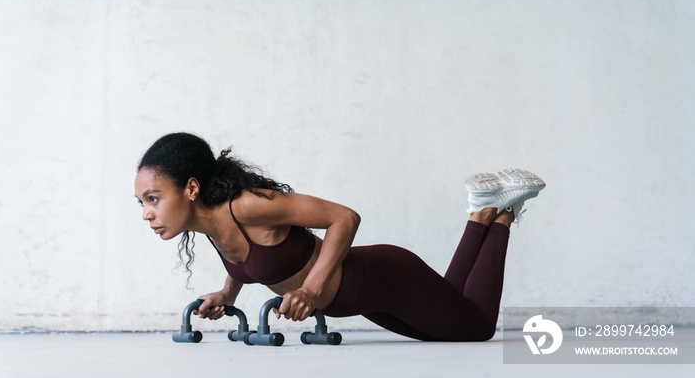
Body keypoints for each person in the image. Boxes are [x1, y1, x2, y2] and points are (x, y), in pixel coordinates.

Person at [134, 132, 545, 341]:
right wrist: (228, 295)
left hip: (382, 277)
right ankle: (487, 210)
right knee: (452, 315)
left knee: (477, 328)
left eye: (153, 198)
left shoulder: (247, 205)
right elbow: (246, 259)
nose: (148, 213)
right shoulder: (209, 223)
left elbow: (344, 217)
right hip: (366, 299)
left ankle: (500, 216)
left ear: (190, 189)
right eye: (141, 203)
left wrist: (310, 292)